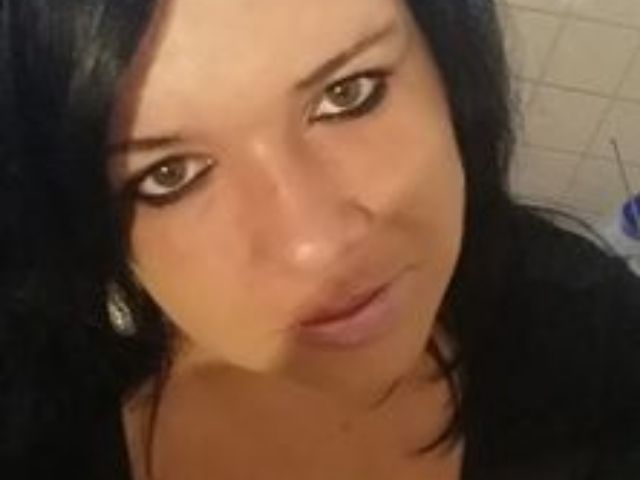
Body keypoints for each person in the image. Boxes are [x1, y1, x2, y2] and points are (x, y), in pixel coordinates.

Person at [1, 0, 639, 479]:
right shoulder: (37, 431)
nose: (315, 246)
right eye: (170, 175)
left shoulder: (601, 344)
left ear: (449, 68)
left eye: (348, 93)